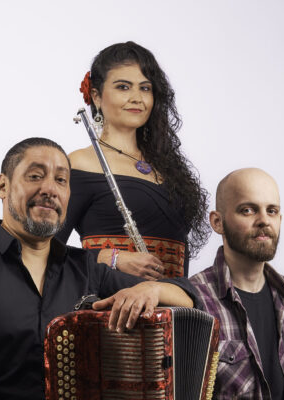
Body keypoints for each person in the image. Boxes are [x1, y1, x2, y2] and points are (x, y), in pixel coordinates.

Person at [0, 137, 198, 400]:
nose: (50, 189)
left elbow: (190, 298)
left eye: (61, 180)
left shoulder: (87, 269)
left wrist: (151, 288)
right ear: (3, 186)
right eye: (36, 176)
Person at [57, 41, 209, 279]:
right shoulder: (79, 164)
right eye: (123, 87)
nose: (137, 98)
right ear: (96, 96)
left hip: (172, 308)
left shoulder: (168, 167)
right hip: (112, 307)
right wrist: (110, 258)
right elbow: (43, 250)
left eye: (145, 88)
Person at [189, 168, 284, 399]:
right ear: (217, 222)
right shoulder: (195, 301)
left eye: (272, 211)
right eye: (248, 210)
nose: (264, 220)